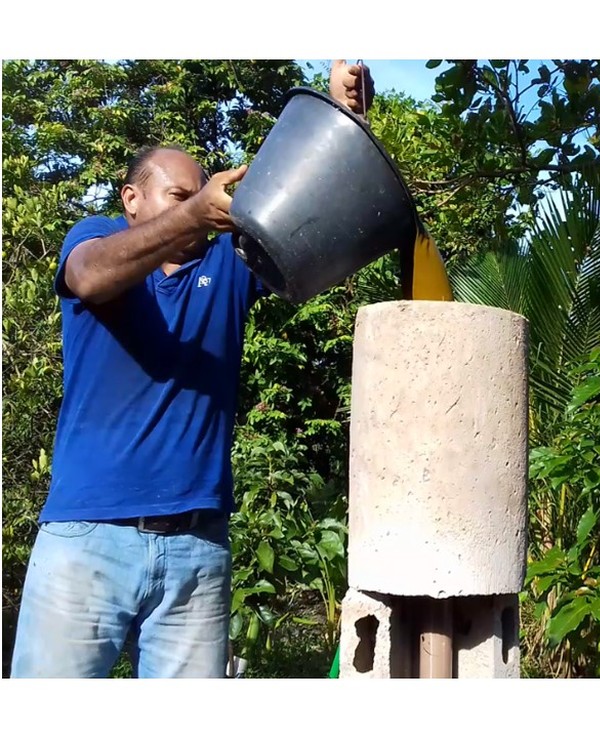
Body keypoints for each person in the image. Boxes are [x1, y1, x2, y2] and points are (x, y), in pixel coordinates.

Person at [10, 60, 375, 678]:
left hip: (196, 549)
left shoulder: (229, 266)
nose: (200, 210)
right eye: (179, 196)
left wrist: (345, 114)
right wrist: (193, 214)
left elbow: (303, 195)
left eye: (201, 198)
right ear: (132, 198)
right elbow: (91, 277)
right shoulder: (96, 239)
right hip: (86, 539)